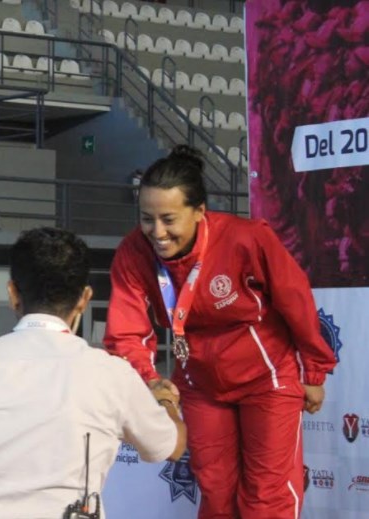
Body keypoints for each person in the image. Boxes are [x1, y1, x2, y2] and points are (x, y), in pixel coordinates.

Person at [104, 145, 337, 519]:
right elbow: (125, 332)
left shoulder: (245, 239)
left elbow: (295, 299)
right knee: (216, 490)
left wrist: (313, 370)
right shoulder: (134, 252)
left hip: (267, 377)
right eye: (146, 218)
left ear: (199, 213)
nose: (157, 232)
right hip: (199, 381)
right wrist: (151, 382)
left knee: (266, 495)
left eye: (168, 219)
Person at [0, 227, 186, 519]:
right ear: (84, 298)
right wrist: (165, 401)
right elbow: (171, 446)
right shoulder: (112, 374)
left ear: (13, 293)